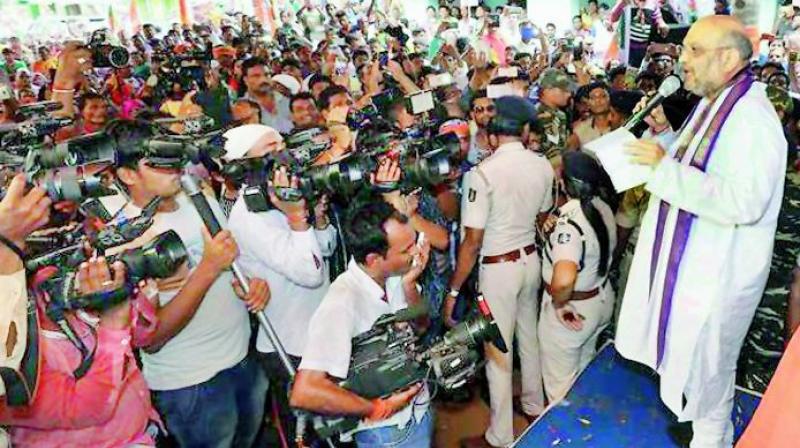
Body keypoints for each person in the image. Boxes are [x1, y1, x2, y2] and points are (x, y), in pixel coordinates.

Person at [618, 16, 787, 448]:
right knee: (701, 377)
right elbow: (700, 165)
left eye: (693, 51)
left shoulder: (753, 119)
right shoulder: (718, 100)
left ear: (728, 57)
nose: (682, 61)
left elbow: (744, 202)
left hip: (716, 276)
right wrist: (666, 137)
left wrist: (663, 168)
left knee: (708, 375)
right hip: (696, 268)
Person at [107, 120, 271, 447]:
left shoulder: (200, 199)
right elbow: (151, 339)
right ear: (127, 175)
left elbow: (233, 267)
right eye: (156, 162)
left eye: (172, 157)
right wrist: (208, 268)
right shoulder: (122, 240)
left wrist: (251, 285)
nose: (171, 168)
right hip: (191, 385)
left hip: (243, 358)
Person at [446, 96, 553, 448]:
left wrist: (453, 290)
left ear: (492, 134)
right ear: (525, 131)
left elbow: (472, 240)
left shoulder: (482, 174)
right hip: (530, 260)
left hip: (498, 268)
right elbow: (542, 216)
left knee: (498, 352)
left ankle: (501, 435)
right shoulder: (543, 166)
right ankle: (536, 404)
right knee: (529, 338)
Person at [290, 194, 433, 447]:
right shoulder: (342, 303)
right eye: (406, 249)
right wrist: (375, 408)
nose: (416, 252)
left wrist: (410, 283)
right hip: (388, 434)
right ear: (373, 259)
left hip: (419, 412)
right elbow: (304, 392)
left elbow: (420, 327)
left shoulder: (395, 273)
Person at [224, 124, 338, 444]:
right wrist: (297, 219)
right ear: (245, 166)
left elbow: (325, 250)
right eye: (270, 150)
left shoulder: (284, 194)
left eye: (283, 145)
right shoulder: (248, 215)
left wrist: (317, 218)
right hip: (289, 347)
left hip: (318, 333)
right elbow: (309, 273)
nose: (283, 155)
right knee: (307, 435)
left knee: (335, 429)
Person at [538, 151, 616, 402]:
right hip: (600, 299)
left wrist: (560, 303)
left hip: (572, 310)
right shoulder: (603, 206)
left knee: (560, 393)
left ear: (564, 183)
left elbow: (563, 280)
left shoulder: (569, 225)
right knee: (583, 376)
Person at [536, 69, 575, 172]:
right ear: (547, 90)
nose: (568, 94)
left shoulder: (558, 114)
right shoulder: (546, 117)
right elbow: (553, 157)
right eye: (563, 90)